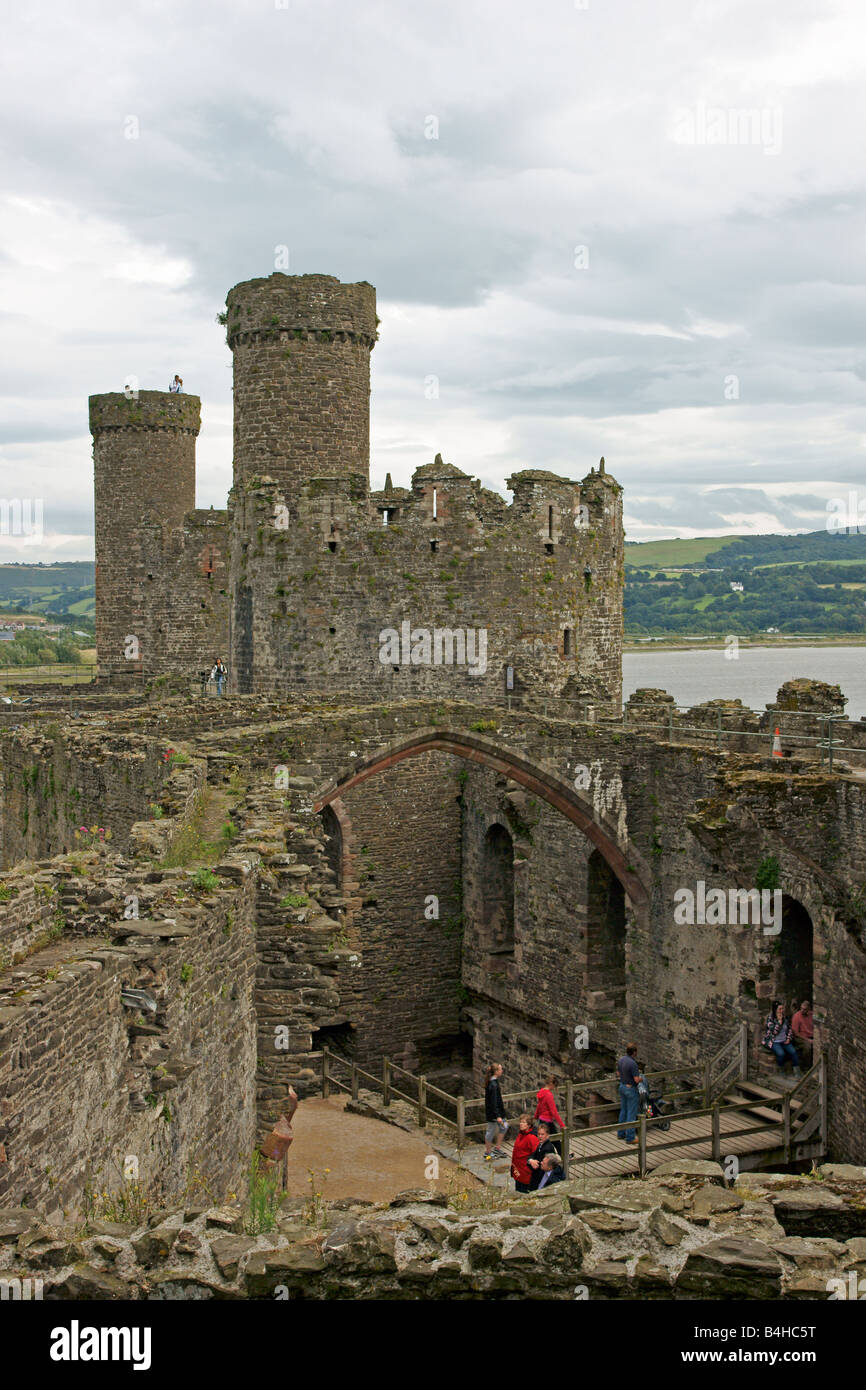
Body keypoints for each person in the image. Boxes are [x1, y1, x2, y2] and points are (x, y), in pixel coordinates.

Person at [762, 1001, 801, 1079]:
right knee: (781, 1054)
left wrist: (788, 1039)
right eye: (780, 1009)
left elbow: (789, 1029)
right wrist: (779, 1022)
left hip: (784, 1040)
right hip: (774, 1041)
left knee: (793, 1052)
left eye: (782, 1008)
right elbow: (774, 1032)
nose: (781, 1010)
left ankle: (797, 1071)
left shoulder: (785, 1017)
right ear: (775, 1009)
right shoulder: (771, 1018)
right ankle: (781, 1069)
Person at [616, 1043, 642, 1144]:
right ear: (634, 1052)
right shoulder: (633, 1064)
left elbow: (618, 1073)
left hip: (622, 1086)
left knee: (624, 1110)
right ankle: (630, 1137)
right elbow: (636, 1079)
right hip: (630, 1089)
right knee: (631, 1113)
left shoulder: (621, 1060)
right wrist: (641, 1079)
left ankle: (621, 1133)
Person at [483, 1063, 508, 1161]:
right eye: (500, 1069)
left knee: (504, 1126)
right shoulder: (493, 1084)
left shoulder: (494, 1082)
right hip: (493, 1113)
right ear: (496, 1072)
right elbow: (493, 1102)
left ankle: (497, 1148)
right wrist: (497, 1116)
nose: (502, 1071)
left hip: (498, 1112)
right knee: (490, 1131)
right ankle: (488, 1152)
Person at [510, 1113, 539, 1193]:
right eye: (520, 1122)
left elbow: (536, 1153)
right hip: (518, 1170)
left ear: (529, 1125)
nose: (521, 1124)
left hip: (526, 1172)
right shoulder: (521, 1134)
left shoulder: (532, 1137)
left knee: (524, 1194)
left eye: (523, 1122)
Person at [526, 1120, 557, 1189]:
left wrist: (532, 1162)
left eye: (542, 1134)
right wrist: (531, 1160)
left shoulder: (548, 1148)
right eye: (539, 1134)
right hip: (536, 1176)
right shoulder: (540, 1144)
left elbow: (541, 1166)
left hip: (541, 1178)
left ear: (547, 1135)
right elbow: (532, 1155)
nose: (540, 1136)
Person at [791, 1000, 814, 1068]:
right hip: (801, 1037)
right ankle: (806, 1066)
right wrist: (807, 1040)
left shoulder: (812, 1014)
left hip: (812, 1036)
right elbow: (795, 1033)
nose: (802, 1010)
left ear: (809, 1009)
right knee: (808, 1047)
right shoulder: (796, 1016)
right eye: (801, 1008)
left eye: (804, 1009)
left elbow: (822, 1019)